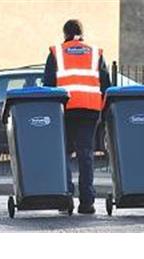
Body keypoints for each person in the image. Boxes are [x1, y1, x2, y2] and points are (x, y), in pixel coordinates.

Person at [43, 19, 111, 214]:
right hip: (90, 109)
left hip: (64, 108)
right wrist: (103, 112)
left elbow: (48, 85)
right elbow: (106, 84)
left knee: (63, 153)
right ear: (82, 33)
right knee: (86, 155)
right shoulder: (95, 53)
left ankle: (66, 198)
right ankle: (87, 202)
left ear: (65, 34)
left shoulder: (56, 52)